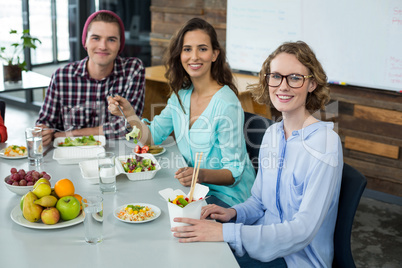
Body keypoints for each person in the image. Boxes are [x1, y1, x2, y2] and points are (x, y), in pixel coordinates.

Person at [171, 41, 343, 268]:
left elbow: (302, 231)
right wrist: (232, 213)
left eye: (294, 78)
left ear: (311, 83)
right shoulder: (273, 134)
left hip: (296, 260)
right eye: (275, 76)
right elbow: (260, 202)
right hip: (261, 242)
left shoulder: (325, 143)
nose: (282, 86)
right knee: (189, 248)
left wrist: (227, 232)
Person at [108, 18, 255, 207]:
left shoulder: (227, 103)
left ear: (214, 54)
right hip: (194, 189)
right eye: (187, 49)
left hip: (228, 198)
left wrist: (199, 174)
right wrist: (129, 114)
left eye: (202, 49)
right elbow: (151, 138)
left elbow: (234, 173)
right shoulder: (182, 95)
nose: (194, 56)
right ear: (180, 55)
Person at [36, 10, 145, 146]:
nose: (103, 46)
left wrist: (70, 134)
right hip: (69, 155)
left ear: (119, 45)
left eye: (111, 39)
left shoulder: (133, 69)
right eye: (96, 38)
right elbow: (46, 123)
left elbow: (130, 127)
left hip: (116, 157)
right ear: (85, 41)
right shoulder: (62, 76)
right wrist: (43, 133)